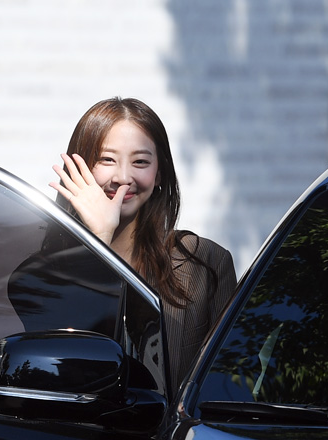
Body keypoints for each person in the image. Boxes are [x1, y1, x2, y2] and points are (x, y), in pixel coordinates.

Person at [49, 97, 237, 393]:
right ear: (78, 168)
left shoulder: (206, 262)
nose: (123, 178)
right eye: (106, 160)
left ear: (159, 172)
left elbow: (229, 384)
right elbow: (66, 372)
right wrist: (100, 240)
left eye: (140, 162)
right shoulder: (42, 271)